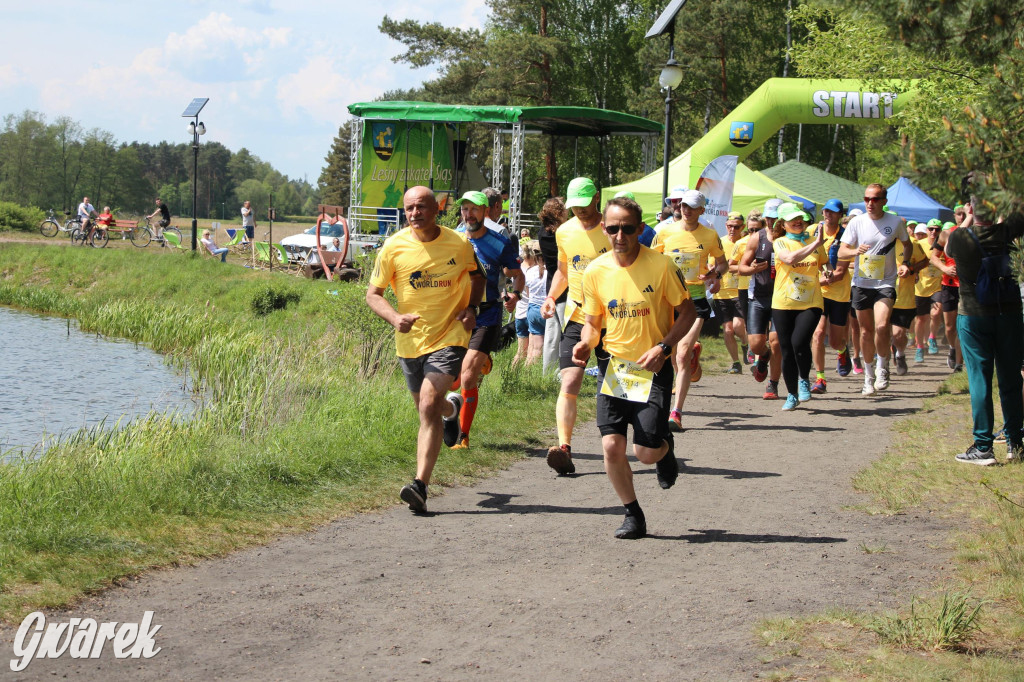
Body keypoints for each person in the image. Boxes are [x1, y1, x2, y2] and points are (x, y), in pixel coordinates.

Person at [572, 196, 696, 538]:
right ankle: (632, 514)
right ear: (604, 229)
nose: (620, 235)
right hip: (615, 368)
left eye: (628, 228)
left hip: (652, 367)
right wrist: (586, 341)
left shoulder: (661, 265)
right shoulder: (595, 271)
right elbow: (593, 322)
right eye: (613, 228)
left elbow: (688, 312)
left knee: (645, 453)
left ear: (640, 229)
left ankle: (664, 449)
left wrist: (664, 347)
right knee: (611, 446)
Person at [365, 186, 485, 513]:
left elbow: (478, 278)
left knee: (428, 404)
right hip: (409, 341)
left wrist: (472, 307)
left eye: (421, 207)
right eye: (409, 208)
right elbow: (373, 294)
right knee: (426, 408)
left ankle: (420, 485)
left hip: (450, 335)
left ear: (437, 209)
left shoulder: (459, 244)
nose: (415, 213)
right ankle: (452, 410)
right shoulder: (393, 247)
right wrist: (394, 317)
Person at [945, 192, 1024, 464]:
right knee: (1011, 379)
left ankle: (983, 447)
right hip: (1010, 313)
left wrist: (967, 216)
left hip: (974, 315)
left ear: (971, 208)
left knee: (980, 380)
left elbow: (946, 251)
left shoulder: (959, 237)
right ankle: (1015, 442)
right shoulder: (1008, 231)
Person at [540, 177, 610, 474]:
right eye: (574, 206)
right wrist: (551, 296)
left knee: (613, 389)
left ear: (597, 198)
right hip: (577, 316)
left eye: (584, 204)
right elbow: (564, 272)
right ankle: (564, 448)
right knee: (569, 381)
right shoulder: (565, 232)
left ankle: (618, 442)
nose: (579, 210)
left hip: (613, 320)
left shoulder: (613, 229)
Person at [448, 191, 524, 450]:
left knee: (467, 378)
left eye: (473, 209)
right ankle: (484, 359)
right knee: (452, 380)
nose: (468, 214)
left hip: (488, 314)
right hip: (458, 315)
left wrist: (515, 294)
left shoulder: (498, 244)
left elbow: (517, 274)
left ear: (484, 212)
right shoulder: (455, 241)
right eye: (464, 209)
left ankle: (463, 436)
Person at [837, 183, 914, 396]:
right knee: (865, 331)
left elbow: (907, 245)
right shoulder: (856, 223)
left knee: (881, 327)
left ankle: (882, 367)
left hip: (885, 283)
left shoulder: (896, 222)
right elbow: (842, 252)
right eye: (867, 199)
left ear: (884, 202)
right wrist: (855, 251)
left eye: (875, 199)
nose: (870, 203)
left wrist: (905, 263)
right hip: (862, 284)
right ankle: (868, 376)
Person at [771, 203, 826, 410]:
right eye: (792, 219)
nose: (798, 222)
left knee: (799, 342)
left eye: (801, 218)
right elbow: (790, 259)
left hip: (811, 302)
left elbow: (823, 262)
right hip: (783, 302)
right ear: (783, 224)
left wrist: (827, 270)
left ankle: (804, 379)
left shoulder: (815, 241)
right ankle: (792, 394)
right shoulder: (780, 242)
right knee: (786, 350)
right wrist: (816, 243)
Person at [738, 199, 786, 399]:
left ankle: (773, 385)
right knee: (756, 344)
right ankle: (764, 357)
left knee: (775, 342)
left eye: (774, 218)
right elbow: (742, 267)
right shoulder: (757, 238)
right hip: (759, 296)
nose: (770, 222)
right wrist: (752, 269)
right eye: (768, 218)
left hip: (782, 298)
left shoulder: (790, 239)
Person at [809, 199, 853, 393]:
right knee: (818, 334)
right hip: (817, 294)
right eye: (826, 211)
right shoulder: (812, 232)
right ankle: (820, 378)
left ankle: (843, 351)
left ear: (840, 215)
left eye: (833, 212)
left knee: (835, 341)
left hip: (839, 294)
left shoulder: (846, 237)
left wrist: (812, 282)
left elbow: (840, 273)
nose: (829, 215)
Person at [890, 227, 929, 375]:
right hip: (881, 295)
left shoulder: (911, 243)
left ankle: (900, 353)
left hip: (904, 298)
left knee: (899, 334)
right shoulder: (876, 242)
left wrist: (911, 269)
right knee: (881, 331)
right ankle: (882, 364)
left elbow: (925, 261)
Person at [537, 197, 569, 375]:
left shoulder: (542, 232)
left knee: (552, 332)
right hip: (563, 285)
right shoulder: (562, 234)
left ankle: (548, 372)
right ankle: (561, 371)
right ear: (559, 212)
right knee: (564, 331)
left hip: (551, 285)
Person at [715, 211, 748, 374]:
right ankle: (736, 363)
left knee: (738, 326)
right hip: (721, 293)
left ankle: (745, 343)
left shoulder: (746, 243)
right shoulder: (719, 243)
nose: (732, 230)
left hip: (740, 291)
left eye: (736, 227)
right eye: (729, 226)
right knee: (727, 330)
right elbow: (712, 263)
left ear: (742, 227)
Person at [913, 220, 944, 362]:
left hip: (938, 285)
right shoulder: (920, 244)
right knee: (921, 319)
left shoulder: (944, 244)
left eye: (937, 230)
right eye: (931, 229)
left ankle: (932, 338)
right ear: (927, 230)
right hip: (920, 287)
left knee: (936, 313)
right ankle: (920, 346)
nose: (933, 232)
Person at [522, 243, 547, 365]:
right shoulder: (551, 272)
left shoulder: (530, 271)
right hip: (546, 309)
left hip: (532, 309)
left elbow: (527, 292)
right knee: (549, 347)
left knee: (535, 348)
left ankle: (528, 375)